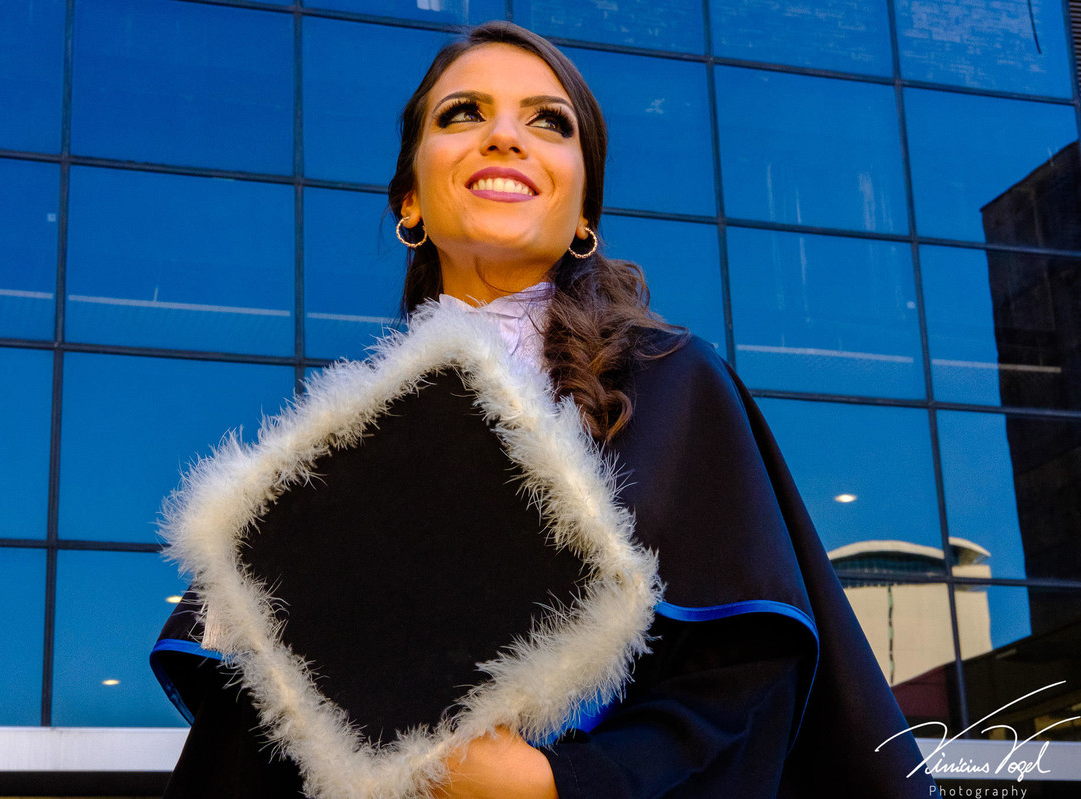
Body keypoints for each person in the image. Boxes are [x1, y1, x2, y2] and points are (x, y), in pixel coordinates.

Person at [152, 21, 935, 798]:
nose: (503, 137)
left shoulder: (671, 387)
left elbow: (740, 670)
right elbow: (254, 722)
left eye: (546, 121)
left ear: (584, 209)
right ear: (410, 200)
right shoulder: (327, 452)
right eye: (463, 113)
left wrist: (554, 780)